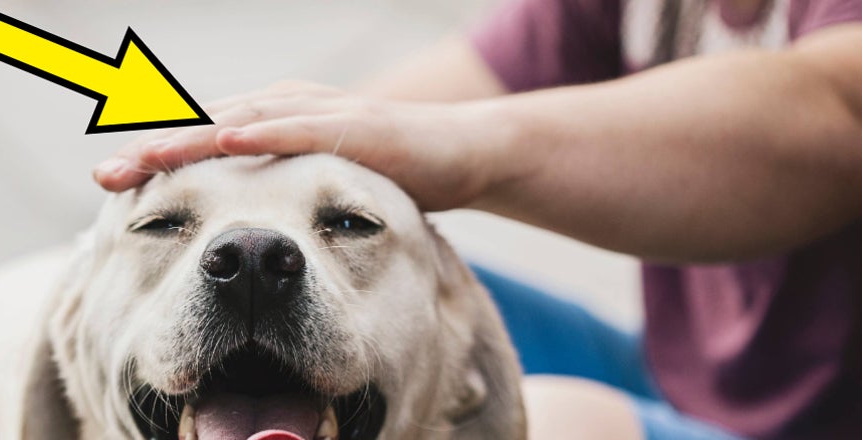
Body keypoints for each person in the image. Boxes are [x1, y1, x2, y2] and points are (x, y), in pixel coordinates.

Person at [91, 0, 862, 439]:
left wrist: (467, 148)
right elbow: (364, 125)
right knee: (384, 278)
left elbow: (840, 109)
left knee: (551, 428)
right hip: (677, 372)